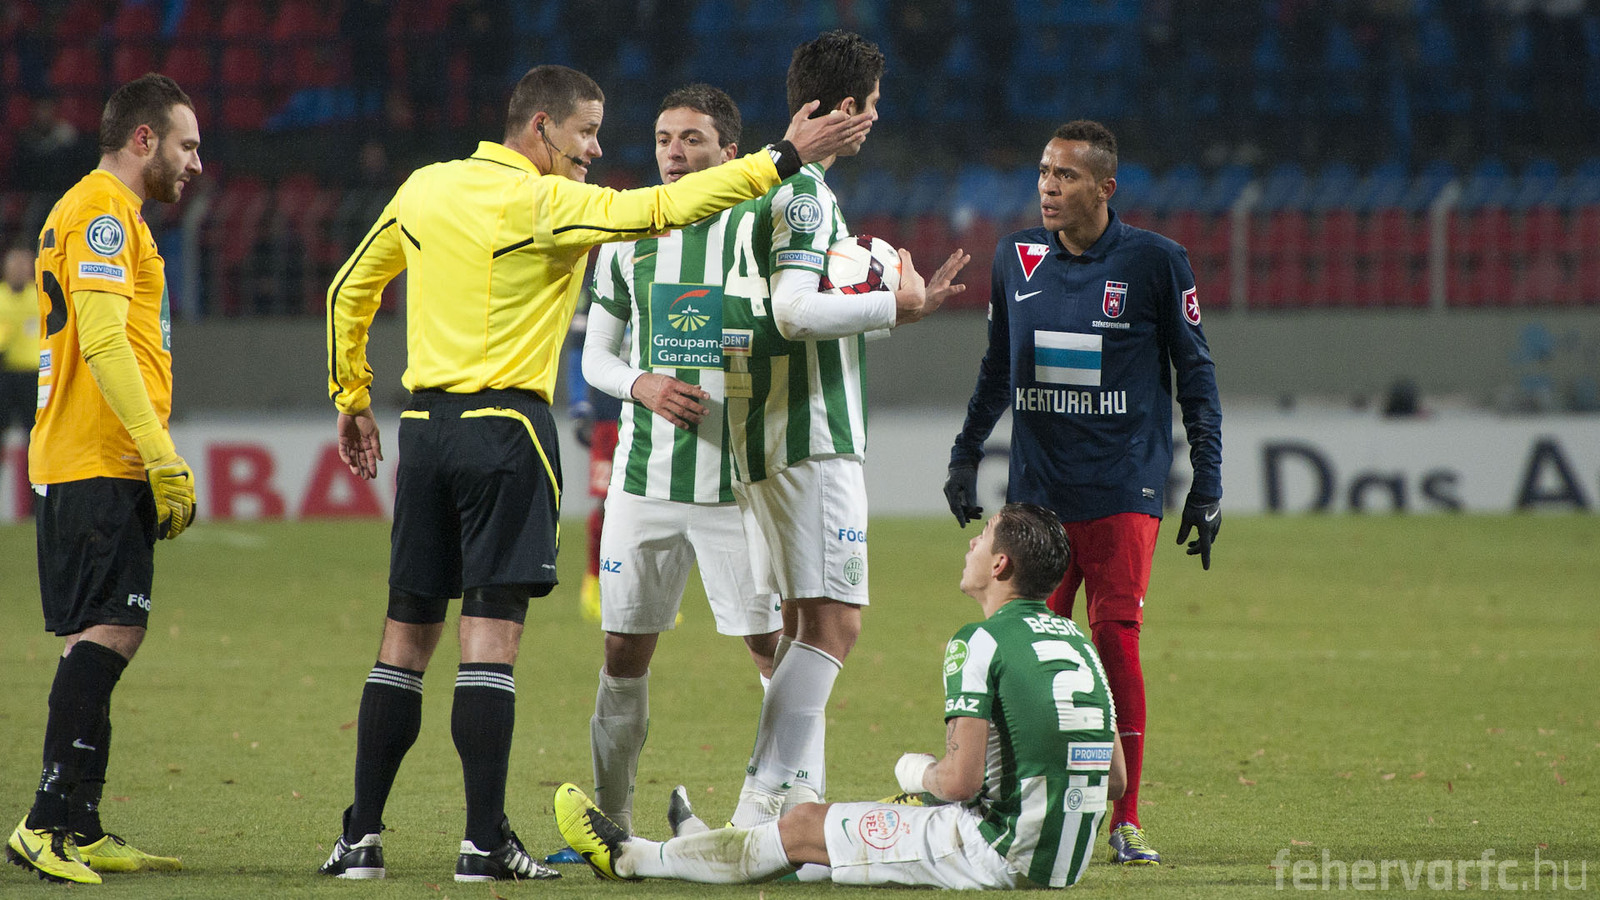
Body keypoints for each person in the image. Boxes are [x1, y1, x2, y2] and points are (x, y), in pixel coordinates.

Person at [318, 63, 872, 883]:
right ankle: (483, 843)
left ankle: (360, 838)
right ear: (541, 128)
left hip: (425, 432)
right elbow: (657, 211)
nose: (597, 149)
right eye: (586, 132)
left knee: (403, 637)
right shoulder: (552, 203)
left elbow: (347, 289)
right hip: (508, 431)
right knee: (489, 641)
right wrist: (785, 155)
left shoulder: (424, 187)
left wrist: (352, 396)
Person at [554, 502, 1127, 890]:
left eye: (985, 535)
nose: (973, 541)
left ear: (1000, 564)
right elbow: (1117, 780)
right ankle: (704, 846)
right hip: (1063, 863)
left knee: (804, 824)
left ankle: (631, 857)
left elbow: (958, 783)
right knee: (835, 843)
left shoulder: (979, 641)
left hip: (997, 855)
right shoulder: (1077, 640)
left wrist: (917, 770)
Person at [942, 119, 1223, 866]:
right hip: (1037, 493)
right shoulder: (1016, 256)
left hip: (1123, 484)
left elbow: (1195, 374)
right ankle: (1008, 798)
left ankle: (1126, 818)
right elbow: (997, 367)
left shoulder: (1156, 262)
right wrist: (966, 455)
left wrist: (1208, 481)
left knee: (1114, 638)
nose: (1047, 187)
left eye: (1064, 176)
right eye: (1043, 172)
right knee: (1021, 643)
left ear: (1105, 187)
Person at [718, 29, 970, 831]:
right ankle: (758, 806)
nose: (877, 120)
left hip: (765, 432)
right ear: (849, 108)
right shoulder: (802, 196)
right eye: (874, 105)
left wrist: (885, 302)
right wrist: (896, 300)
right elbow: (794, 311)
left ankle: (783, 803)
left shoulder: (758, 187)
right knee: (836, 625)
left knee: (802, 623)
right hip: (808, 436)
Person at [5, 73, 201, 885]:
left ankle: (79, 825)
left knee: (100, 631)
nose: (196, 163)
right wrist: (158, 452)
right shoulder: (102, 211)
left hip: (88, 454)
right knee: (113, 630)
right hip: (98, 454)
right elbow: (105, 341)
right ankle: (45, 821)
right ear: (144, 139)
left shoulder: (106, 212)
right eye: (187, 145)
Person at [579, 83, 785, 835]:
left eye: (692, 138)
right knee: (621, 648)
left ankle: (775, 816)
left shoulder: (762, 230)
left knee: (772, 650)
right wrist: (643, 384)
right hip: (645, 484)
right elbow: (596, 357)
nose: (674, 152)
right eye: (665, 138)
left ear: (730, 151)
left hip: (739, 487)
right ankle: (612, 821)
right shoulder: (627, 236)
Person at [0, 247, 40, 491]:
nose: (18, 271)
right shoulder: (1, 297)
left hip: (32, 376)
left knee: (35, 439)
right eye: (14, 266)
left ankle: (37, 497)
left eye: (23, 266)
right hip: (5, 375)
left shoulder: (39, 296)